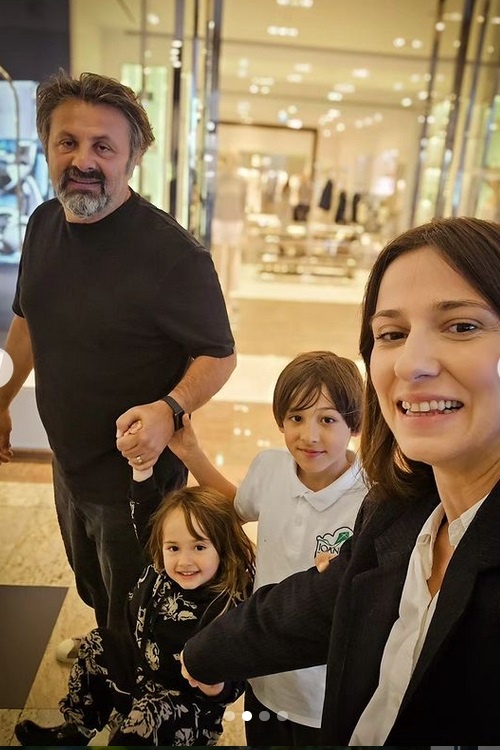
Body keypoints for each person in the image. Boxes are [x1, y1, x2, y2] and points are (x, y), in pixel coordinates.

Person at [179, 216, 500, 744]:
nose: (411, 363)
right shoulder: (401, 512)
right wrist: (206, 652)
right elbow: (319, 602)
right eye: (391, 334)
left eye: (462, 326)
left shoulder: (368, 495)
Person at [0, 71, 236, 654]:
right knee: (93, 582)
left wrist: (169, 407)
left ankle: (131, 687)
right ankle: (109, 652)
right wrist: (2, 399)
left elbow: (220, 355)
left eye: (103, 146)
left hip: (136, 476)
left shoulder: (174, 256)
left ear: (132, 158)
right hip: (69, 459)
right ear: (47, 147)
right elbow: (27, 320)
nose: (83, 160)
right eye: (68, 142)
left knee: (140, 598)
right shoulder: (42, 224)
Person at [168, 350, 367, 745]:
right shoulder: (270, 467)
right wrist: (191, 452)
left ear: (355, 425)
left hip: (328, 694)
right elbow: (237, 507)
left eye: (328, 420)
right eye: (296, 418)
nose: (309, 435)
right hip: (263, 675)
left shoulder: (370, 496)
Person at [14, 482, 255, 746]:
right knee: (97, 643)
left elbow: (238, 676)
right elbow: (145, 512)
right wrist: (142, 472)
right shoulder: (159, 568)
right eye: (173, 548)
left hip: (187, 708)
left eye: (199, 547)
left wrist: (216, 688)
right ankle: (76, 729)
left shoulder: (227, 607)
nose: (184, 561)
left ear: (223, 548)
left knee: (146, 715)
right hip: (141, 677)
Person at [211, 152, 247, 316]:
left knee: (232, 260)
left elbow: (243, 205)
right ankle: (217, 294)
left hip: (235, 221)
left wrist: (245, 228)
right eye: (229, 160)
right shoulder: (217, 179)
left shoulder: (241, 181)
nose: (231, 163)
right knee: (218, 259)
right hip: (219, 220)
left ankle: (230, 296)